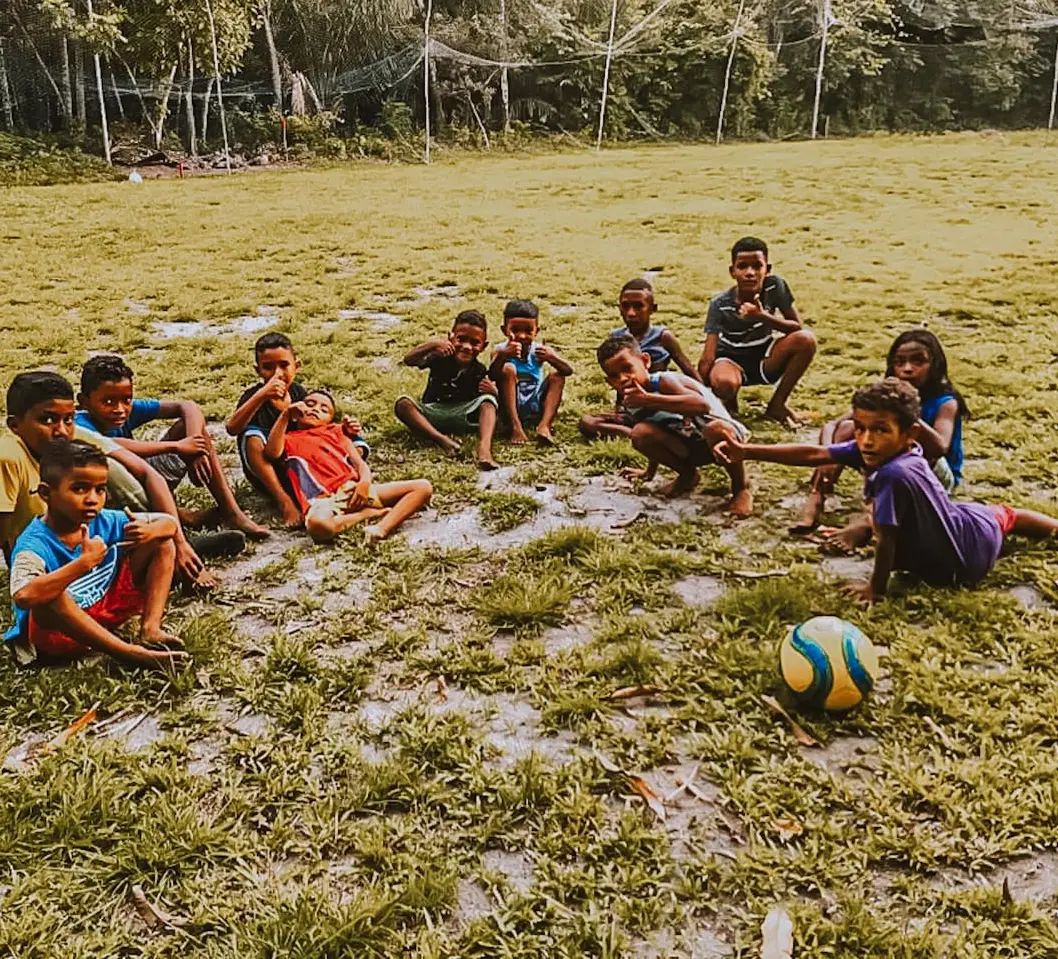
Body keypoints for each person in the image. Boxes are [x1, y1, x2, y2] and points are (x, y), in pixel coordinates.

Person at [714, 378, 1058, 603]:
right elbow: (814, 453)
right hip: (948, 551)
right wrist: (748, 450)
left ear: (909, 433)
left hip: (965, 556)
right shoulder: (893, 450)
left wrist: (874, 590)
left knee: (999, 515)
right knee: (995, 514)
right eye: (860, 428)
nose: (865, 438)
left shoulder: (893, 472)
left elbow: (887, 539)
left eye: (879, 430)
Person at [1, 371, 215, 586]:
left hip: (84, 540)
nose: (61, 430)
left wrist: (181, 543)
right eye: (47, 420)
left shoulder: (73, 435)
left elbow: (148, 473)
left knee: (111, 468)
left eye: (68, 419)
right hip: (45, 557)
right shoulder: (8, 456)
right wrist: (21, 576)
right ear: (15, 425)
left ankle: (181, 551)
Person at [5, 438, 187, 670]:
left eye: (100, 489)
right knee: (48, 596)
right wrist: (84, 563)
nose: (93, 499)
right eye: (79, 488)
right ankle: (129, 653)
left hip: (103, 612)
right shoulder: (33, 544)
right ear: (46, 493)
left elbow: (169, 523)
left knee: (162, 542)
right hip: (58, 634)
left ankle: (150, 629)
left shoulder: (104, 520)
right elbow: (24, 595)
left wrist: (149, 530)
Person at [794, 328, 968, 543]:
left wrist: (907, 409)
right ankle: (817, 495)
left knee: (910, 452)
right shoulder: (886, 397)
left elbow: (940, 447)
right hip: (890, 466)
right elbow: (832, 426)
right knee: (849, 428)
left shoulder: (945, 402)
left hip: (932, 475)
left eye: (917, 362)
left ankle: (868, 520)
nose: (907, 369)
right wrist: (827, 457)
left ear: (935, 365)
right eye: (899, 362)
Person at [77, 354, 268, 541]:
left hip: (148, 480)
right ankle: (182, 520)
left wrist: (195, 448)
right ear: (84, 401)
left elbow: (188, 406)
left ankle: (231, 512)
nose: (119, 409)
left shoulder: (127, 410)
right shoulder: (78, 424)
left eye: (126, 400)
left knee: (195, 432)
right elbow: (109, 445)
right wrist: (177, 447)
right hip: (119, 498)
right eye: (108, 402)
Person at [596, 334, 753, 515]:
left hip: (726, 439)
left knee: (714, 429)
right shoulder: (633, 401)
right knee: (639, 433)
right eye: (615, 376)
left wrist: (649, 399)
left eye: (627, 368)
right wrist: (649, 472)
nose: (623, 378)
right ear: (609, 382)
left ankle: (741, 488)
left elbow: (700, 406)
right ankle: (687, 474)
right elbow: (651, 429)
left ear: (645, 361)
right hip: (692, 445)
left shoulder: (664, 381)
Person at [226, 332, 358, 529]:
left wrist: (348, 428)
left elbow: (322, 426)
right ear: (258, 371)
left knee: (342, 435)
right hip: (268, 470)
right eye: (268, 367)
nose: (277, 373)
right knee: (252, 438)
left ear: (297, 366)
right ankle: (285, 502)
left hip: (297, 466)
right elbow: (232, 428)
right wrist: (261, 395)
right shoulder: (253, 396)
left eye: (284, 365)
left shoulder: (298, 393)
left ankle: (342, 477)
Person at [266, 389, 432, 543]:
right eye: (310, 404)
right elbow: (272, 452)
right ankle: (369, 514)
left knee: (422, 487)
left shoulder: (336, 431)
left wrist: (364, 483)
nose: (316, 409)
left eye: (324, 409)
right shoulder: (287, 438)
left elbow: (359, 463)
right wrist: (286, 415)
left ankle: (381, 528)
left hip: (353, 489)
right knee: (317, 525)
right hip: (323, 501)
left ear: (330, 419)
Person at [697, 236, 816, 427]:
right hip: (730, 360)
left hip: (765, 356)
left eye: (757, 266)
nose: (750, 273)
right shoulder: (720, 304)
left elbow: (796, 327)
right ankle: (728, 402)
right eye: (742, 266)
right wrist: (700, 395)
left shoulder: (775, 286)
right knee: (724, 383)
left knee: (806, 340)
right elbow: (708, 356)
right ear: (732, 271)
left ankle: (777, 405)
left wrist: (762, 316)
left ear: (767, 269)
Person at [579, 278, 700, 441]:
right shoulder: (617, 338)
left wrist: (697, 406)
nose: (631, 313)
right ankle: (631, 434)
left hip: (661, 405)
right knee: (587, 422)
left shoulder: (662, 337)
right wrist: (619, 410)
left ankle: (644, 433)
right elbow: (619, 380)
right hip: (633, 408)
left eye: (638, 306)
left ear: (652, 309)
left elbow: (689, 372)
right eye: (625, 306)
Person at [394, 310, 500, 470]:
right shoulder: (440, 357)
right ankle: (441, 439)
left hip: (463, 414)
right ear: (451, 337)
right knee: (402, 404)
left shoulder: (479, 369)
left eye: (474, 342)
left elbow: (487, 402)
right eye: (461, 339)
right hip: (433, 413)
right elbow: (409, 360)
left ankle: (485, 449)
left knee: (489, 402)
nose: (466, 347)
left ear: (483, 346)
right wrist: (434, 344)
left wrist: (494, 392)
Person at [489, 299, 573, 446]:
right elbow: (493, 375)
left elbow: (567, 371)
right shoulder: (499, 350)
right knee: (508, 369)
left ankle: (544, 425)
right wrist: (503, 356)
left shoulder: (539, 350)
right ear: (504, 330)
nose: (522, 336)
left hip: (535, 403)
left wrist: (552, 358)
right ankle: (516, 426)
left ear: (536, 331)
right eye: (515, 330)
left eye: (528, 331)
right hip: (509, 406)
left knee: (557, 376)